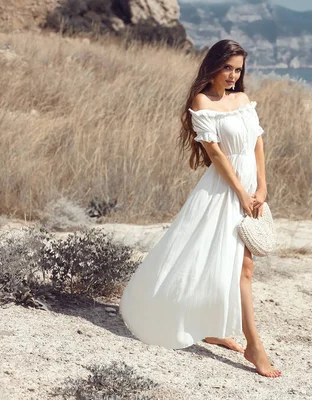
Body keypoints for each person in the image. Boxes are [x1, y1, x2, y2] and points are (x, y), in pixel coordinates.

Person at [119, 39, 281, 378]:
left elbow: (257, 143)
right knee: (227, 264)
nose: (233, 76)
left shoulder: (242, 99)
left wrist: (262, 186)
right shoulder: (201, 101)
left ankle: (213, 327)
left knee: (232, 264)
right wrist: (240, 192)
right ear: (213, 66)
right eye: (228, 68)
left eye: (238, 70)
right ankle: (254, 346)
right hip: (224, 189)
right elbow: (217, 155)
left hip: (251, 189)